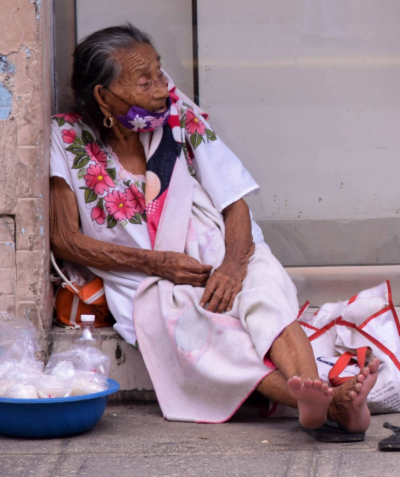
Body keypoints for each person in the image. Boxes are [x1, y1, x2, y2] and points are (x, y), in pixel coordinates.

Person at [48, 24, 378, 439]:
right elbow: (66, 240)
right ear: (103, 96)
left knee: (264, 289)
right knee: (199, 330)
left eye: (159, 72)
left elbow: (233, 197)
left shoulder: (177, 114)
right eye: (144, 80)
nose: (161, 88)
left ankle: (315, 398)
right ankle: (326, 403)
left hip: (217, 247)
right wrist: (157, 263)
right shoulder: (66, 138)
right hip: (146, 279)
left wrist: (235, 263)